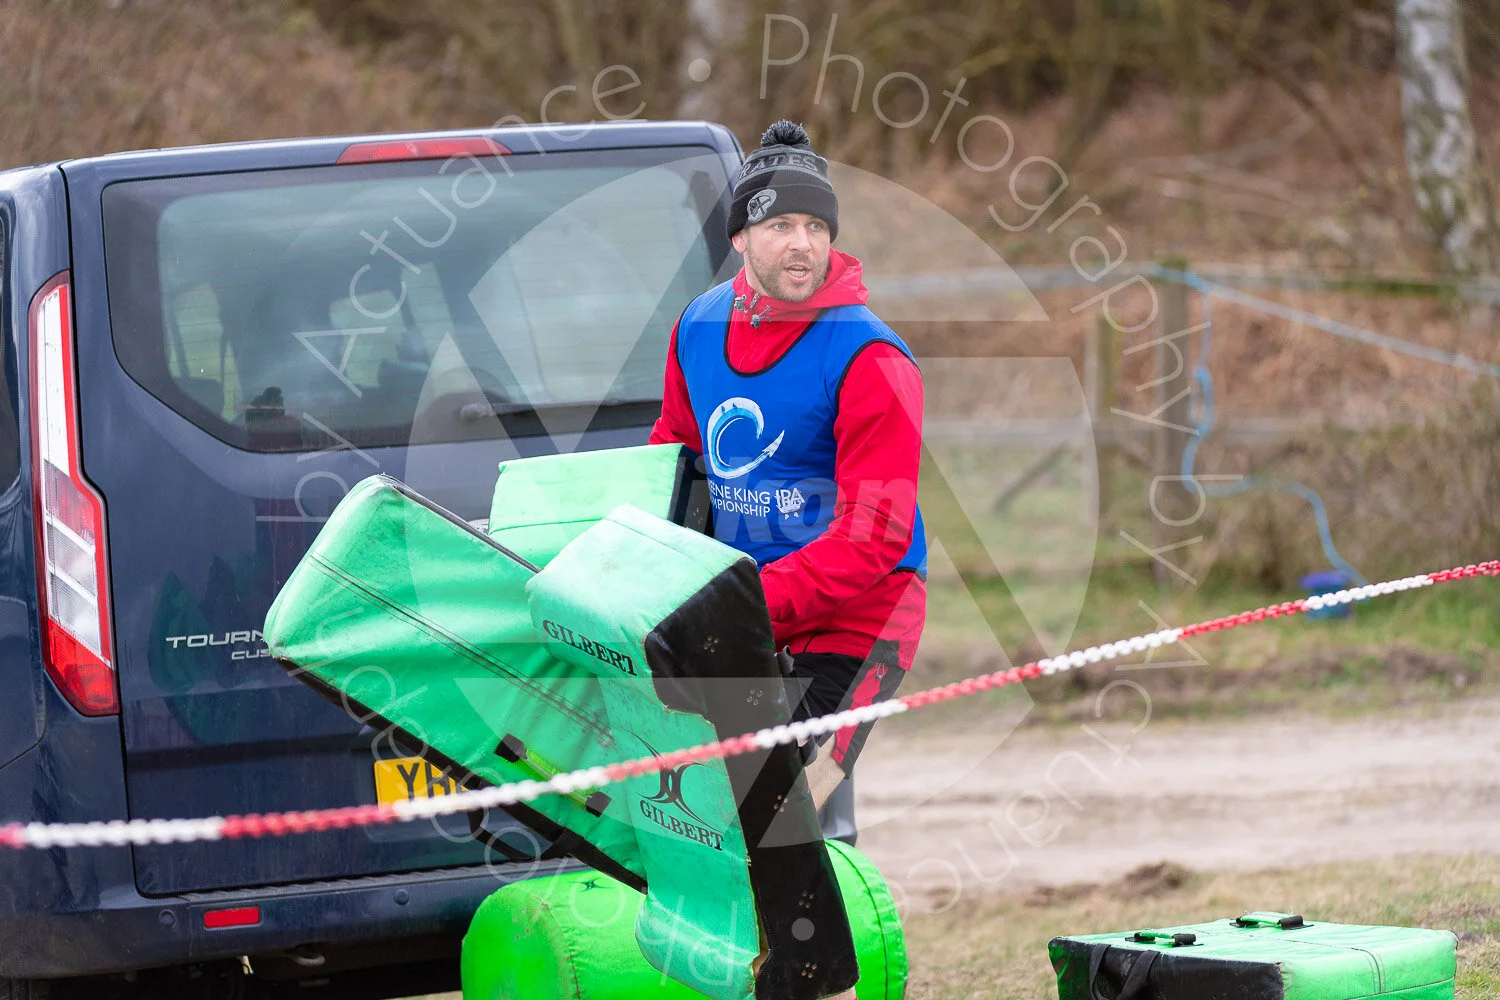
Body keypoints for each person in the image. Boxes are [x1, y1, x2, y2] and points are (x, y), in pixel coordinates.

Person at [649, 120, 927, 845]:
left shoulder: (872, 359)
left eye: (815, 225)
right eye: (778, 225)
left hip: (863, 616)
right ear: (740, 238)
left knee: (786, 826)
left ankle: (835, 958)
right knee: (705, 810)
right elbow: (673, 457)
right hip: (751, 599)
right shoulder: (697, 327)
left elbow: (875, 537)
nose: (801, 243)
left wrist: (737, 610)